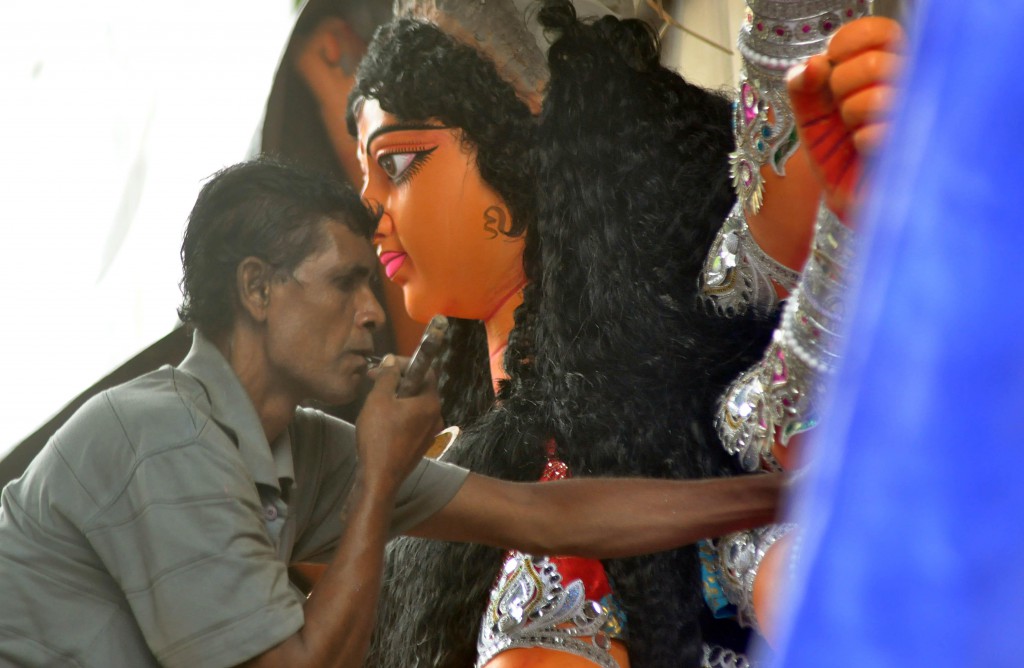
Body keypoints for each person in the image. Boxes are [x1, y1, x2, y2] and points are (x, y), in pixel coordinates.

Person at [0, 158, 783, 668]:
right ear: (257, 290)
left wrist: (774, 495)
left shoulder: (288, 443)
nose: (374, 315)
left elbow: (544, 515)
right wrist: (378, 475)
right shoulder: (161, 440)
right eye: (344, 284)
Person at [338, 2, 780, 666]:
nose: (368, 206)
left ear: (515, 156)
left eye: (396, 163)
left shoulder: (604, 496)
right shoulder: (464, 448)